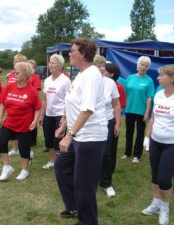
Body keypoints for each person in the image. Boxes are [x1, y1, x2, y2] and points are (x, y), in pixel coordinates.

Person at [55, 38, 108, 225]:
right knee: (61, 166)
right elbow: (75, 104)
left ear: (83, 53)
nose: (69, 54)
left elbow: (87, 109)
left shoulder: (92, 74)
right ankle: (75, 205)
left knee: (84, 183)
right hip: (79, 134)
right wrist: (64, 124)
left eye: (72, 50)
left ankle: (88, 221)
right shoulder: (81, 74)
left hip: (91, 136)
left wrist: (69, 136)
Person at [141, 64, 174, 225]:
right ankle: (156, 203)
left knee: (164, 178)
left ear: (172, 78)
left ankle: (165, 207)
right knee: (155, 176)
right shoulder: (159, 94)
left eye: (161, 75)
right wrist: (147, 138)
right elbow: (153, 119)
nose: (158, 78)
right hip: (156, 141)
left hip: (173, 144)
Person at [0, 61, 41, 181]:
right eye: (14, 70)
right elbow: (2, 103)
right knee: (0, 140)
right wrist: (0, 118)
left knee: (24, 147)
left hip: (25, 124)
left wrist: (35, 121)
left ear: (25, 75)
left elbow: (37, 108)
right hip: (10, 122)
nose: (14, 73)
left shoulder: (32, 91)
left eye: (17, 72)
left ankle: (25, 170)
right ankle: (6, 166)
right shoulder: (9, 87)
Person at [94, 55, 121, 198]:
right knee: (89, 152)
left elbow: (116, 104)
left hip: (108, 121)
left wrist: (118, 123)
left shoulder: (110, 83)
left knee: (105, 153)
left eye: (103, 65)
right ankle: (89, 179)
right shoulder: (85, 81)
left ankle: (106, 183)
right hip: (90, 123)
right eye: (99, 65)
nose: (102, 68)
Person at [38, 54, 71, 169]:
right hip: (49, 114)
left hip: (60, 114)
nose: (50, 65)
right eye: (50, 62)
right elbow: (45, 99)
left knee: (58, 140)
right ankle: (53, 161)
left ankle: (62, 162)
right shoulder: (47, 80)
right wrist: (42, 115)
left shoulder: (66, 81)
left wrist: (64, 116)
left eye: (53, 63)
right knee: (49, 140)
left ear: (60, 66)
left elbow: (69, 100)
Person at [122, 56, 154, 163]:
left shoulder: (149, 80)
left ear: (148, 67)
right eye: (142, 64)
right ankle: (127, 152)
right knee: (129, 132)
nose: (143, 67)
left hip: (141, 111)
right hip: (129, 109)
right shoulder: (130, 78)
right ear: (138, 65)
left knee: (140, 133)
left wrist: (147, 113)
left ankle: (137, 155)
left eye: (146, 65)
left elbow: (149, 98)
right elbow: (125, 92)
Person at [105, 63, 126, 174]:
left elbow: (121, 105)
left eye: (105, 70)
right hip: (105, 120)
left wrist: (115, 119)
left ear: (112, 74)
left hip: (112, 120)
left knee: (111, 147)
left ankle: (110, 168)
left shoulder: (118, 87)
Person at [6, 54, 27, 156]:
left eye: (16, 61)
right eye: (13, 61)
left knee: (22, 130)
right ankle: (14, 148)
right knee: (11, 127)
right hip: (11, 103)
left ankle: (25, 149)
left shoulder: (25, 75)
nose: (14, 63)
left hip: (22, 104)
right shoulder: (10, 75)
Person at [28, 59, 42, 147]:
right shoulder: (26, 76)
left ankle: (33, 140)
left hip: (32, 102)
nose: (31, 69)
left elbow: (36, 91)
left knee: (33, 120)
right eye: (30, 67)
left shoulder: (35, 77)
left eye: (33, 67)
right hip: (25, 102)